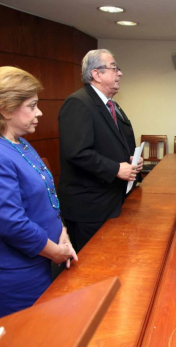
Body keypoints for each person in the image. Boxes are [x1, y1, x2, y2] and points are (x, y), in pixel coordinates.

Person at [0, 66, 77, 317]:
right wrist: (55, 251)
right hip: (18, 274)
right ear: (6, 109)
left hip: (43, 259)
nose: (39, 112)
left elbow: (47, 198)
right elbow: (11, 222)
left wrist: (62, 231)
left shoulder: (21, 143)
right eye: (32, 106)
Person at [58, 49, 142, 252]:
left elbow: (113, 141)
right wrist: (115, 168)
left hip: (110, 198)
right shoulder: (78, 103)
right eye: (114, 68)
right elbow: (77, 152)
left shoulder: (111, 104)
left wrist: (130, 160)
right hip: (89, 206)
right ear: (96, 74)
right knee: (91, 269)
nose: (119, 73)